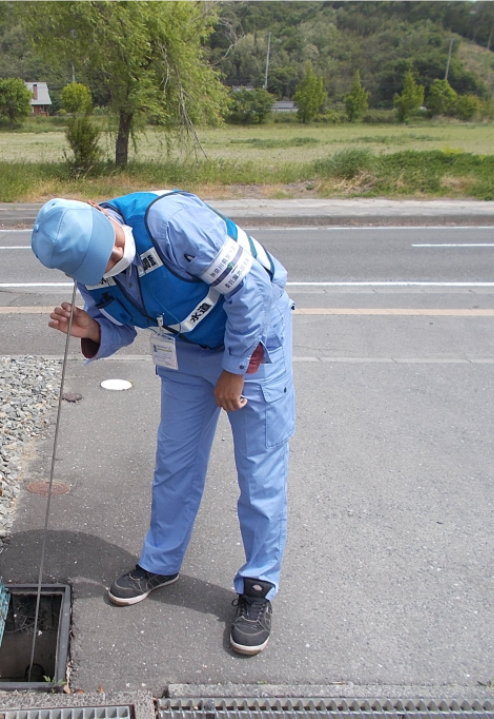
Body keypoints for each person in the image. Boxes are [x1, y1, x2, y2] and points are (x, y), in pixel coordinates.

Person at [30, 190, 295, 656]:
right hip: (184, 351)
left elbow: (250, 290)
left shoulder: (172, 222)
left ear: (98, 212)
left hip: (252, 345)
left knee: (259, 471)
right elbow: (122, 322)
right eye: (100, 263)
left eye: (109, 244)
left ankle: (258, 588)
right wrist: (93, 331)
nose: (113, 258)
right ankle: (160, 562)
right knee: (175, 462)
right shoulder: (88, 268)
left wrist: (234, 371)